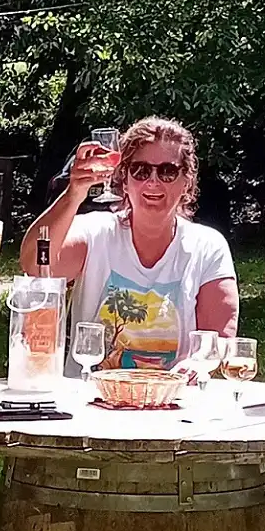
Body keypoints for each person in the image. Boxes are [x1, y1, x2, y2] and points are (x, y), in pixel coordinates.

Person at [21, 116, 238, 374]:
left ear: (186, 182)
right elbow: (35, 264)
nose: (153, 181)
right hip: (89, 394)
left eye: (167, 171)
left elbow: (221, 338)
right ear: (124, 179)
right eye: (140, 170)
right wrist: (74, 194)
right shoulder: (96, 232)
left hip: (172, 394)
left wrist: (196, 364)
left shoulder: (208, 247)